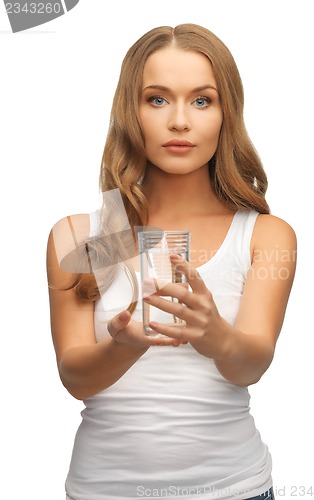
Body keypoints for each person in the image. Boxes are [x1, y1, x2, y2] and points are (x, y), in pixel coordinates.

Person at [47, 23, 297, 500]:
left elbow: (252, 365)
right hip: (105, 490)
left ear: (227, 114)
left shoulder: (263, 235)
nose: (179, 121)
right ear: (130, 112)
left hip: (235, 489)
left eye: (202, 100)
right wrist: (123, 345)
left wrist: (215, 335)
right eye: (157, 99)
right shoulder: (87, 236)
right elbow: (74, 378)